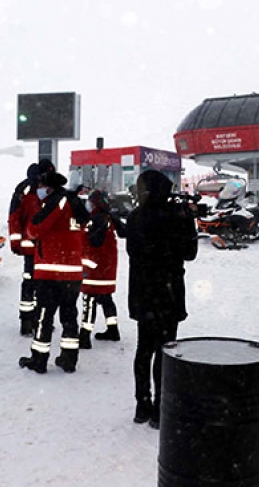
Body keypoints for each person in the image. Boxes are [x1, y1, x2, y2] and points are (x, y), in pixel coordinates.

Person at [126, 170, 198, 428]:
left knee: (143, 350)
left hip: (143, 293)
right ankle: (160, 408)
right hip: (168, 294)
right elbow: (190, 253)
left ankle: (141, 405)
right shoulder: (176, 217)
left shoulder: (135, 217)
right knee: (165, 350)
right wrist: (188, 220)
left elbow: (134, 250)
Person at [18, 171, 90, 374]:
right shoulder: (76, 204)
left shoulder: (56, 202)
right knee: (69, 317)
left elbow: (35, 229)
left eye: (41, 187)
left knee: (43, 316)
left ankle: (38, 360)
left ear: (48, 187)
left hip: (51, 272)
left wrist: (31, 229)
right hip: (73, 273)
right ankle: (69, 359)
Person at [8, 159, 56, 335]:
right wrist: (16, 242)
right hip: (37, 249)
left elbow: (14, 217)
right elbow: (15, 217)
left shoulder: (30, 192)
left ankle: (35, 320)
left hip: (42, 249)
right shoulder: (27, 193)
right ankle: (31, 321)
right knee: (36, 284)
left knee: (37, 284)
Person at [78, 189, 127, 349]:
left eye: (90, 201)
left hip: (94, 269)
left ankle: (84, 335)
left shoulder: (95, 220)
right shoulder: (110, 218)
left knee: (89, 300)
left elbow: (93, 243)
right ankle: (113, 329)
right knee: (106, 299)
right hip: (108, 268)